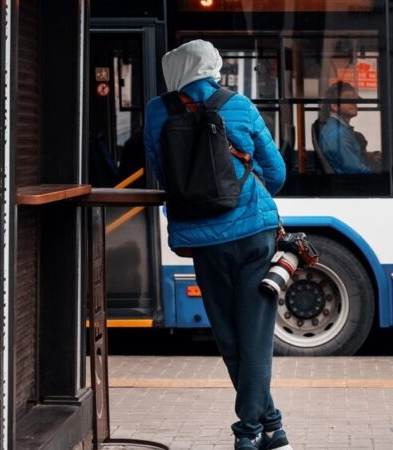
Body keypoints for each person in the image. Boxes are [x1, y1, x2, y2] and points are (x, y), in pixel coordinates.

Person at [143, 40, 291, 450]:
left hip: (202, 239)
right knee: (256, 337)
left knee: (230, 338)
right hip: (252, 236)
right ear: (212, 68)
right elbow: (276, 173)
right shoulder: (239, 105)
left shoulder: (158, 111)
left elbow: (162, 171)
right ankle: (251, 434)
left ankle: (273, 429)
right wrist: (244, 180)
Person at [318, 81, 373, 174]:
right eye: (348, 99)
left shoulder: (338, 129)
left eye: (355, 99)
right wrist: (379, 176)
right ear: (335, 106)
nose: (354, 103)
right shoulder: (337, 134)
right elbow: (356, 169)